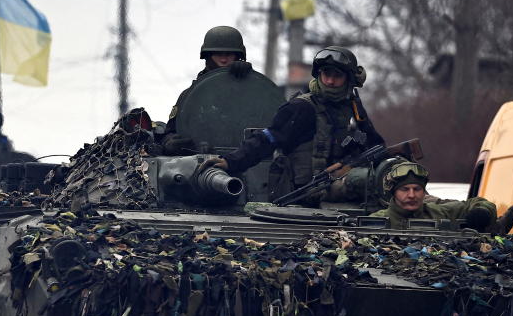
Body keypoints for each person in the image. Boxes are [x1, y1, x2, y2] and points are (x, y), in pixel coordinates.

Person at [199, 46, 384, 204]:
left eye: (337, 76)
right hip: (307, 192)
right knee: (366, 179)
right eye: (326, 74)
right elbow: (268, 138)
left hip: (339, 184)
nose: (330, 81)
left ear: (348, 80)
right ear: (319, 74)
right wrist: (231, 161)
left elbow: (374, 144)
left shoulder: (351, 108)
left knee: (389, 174)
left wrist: (355, 160)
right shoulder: (302, 107)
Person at [160, 26, 253, 154]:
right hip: (199, 163)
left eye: (229, 54)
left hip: (245, 161)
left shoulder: (250, 92)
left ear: (238, 56)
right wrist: (170, 142)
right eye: (218, 54)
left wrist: (250, 78)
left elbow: (266, 125)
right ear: (207, 56)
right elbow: (170, 132)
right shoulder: (191, 96)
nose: (224, 59)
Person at [370, 161, 501, 231]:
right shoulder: (375, 220)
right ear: (394, 192)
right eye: (404, 189)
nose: (411, 195)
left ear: (424, 192)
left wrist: (482, 212)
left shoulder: (440, 212)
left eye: (417, 189)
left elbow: (477, 202)